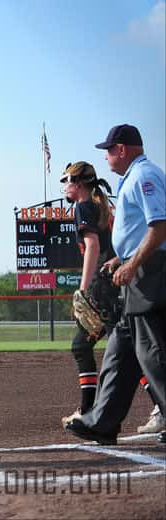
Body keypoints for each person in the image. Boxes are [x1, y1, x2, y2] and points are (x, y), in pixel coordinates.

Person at [65, 124, 166, 444]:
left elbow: (160, 226)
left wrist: (133, 262)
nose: (106, 156)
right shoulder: (131, 179)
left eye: (109, 149)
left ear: (123, 149)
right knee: (121, 349)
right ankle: (102, 421)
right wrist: (122, 259)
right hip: (135, 272)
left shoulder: (143, 176)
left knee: (151, 351)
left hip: (150, 273)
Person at [58, 162, 120, 425]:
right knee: (128, 348)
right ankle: (160, 407)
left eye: (67, 180)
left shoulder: (83, 205)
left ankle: (87, 411)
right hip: (113, 285)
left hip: (101, 286)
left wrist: (83, 290)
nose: (64, 185)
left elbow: (92, 246)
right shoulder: (100, 205)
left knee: (81, 346)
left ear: (79, 184)